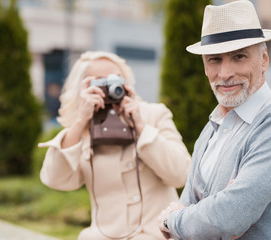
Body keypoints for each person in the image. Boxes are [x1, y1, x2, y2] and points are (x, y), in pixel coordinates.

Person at [158, 1, 271, 239]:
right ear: (204, 66)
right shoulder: (211, 129)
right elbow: (197, 226)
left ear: (264, 59)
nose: (225, 74)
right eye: (214, 59)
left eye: (239, 57)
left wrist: (172, 219)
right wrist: (203, 218)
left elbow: (226, 219)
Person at [38, 51, 191, 240]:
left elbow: (181, 175)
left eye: (115, 80)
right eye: (99, 83)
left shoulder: (154, 115)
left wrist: (141, 128)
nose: (109, 88)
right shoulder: (80, 130)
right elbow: (55, 180)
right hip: (104, 235)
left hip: (157, 234)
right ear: (82, 89)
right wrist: (79, 122)